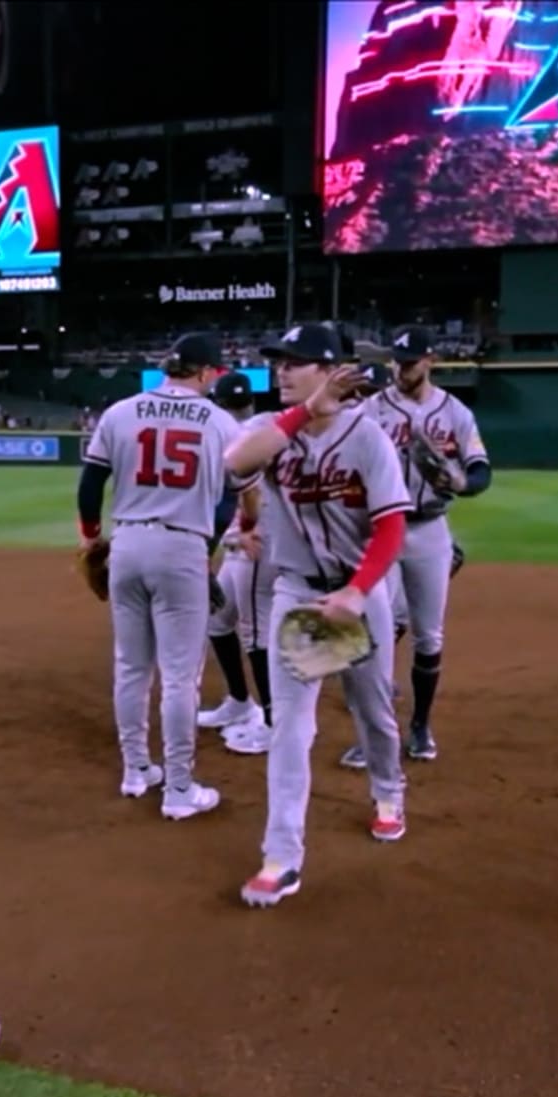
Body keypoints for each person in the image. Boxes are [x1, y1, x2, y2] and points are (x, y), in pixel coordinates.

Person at [223, 324, 412, 908]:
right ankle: (281, 858)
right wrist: (306, 410)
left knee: (372, 710)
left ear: (331, 370)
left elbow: (391, 526)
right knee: (291, 728)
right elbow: (235, 464)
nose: (282, 370)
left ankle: (388, 791)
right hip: (300, 594)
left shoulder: (368, 437)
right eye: (279, 361)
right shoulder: (271, 428)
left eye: (296, 361)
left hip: (359, 593)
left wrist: (357, 591)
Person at [77, 334, 253, 818]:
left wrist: (91, 537)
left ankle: (136, 770)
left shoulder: (120, 411)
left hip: (127, 544)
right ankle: (178, 789)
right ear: (205, 372)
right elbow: (244, 489)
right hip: (181, 547)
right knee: (179, 676)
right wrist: (247, 527)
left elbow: (90, 483)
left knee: (131, 667)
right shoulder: (220, 421)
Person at [339, 325, 491, 767]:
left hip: (429, 530)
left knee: (428, 634)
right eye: (397, 362)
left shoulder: (456, 412)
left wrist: (462, 483)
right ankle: (373, 734)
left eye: (409, 363)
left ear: (430, 362)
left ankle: (421, 726)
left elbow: (481, 471)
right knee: (377, 634)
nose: (400, 370)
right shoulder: (370, 410)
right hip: (381, 529)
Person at [197, 370, 274, 751]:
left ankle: (275, 725)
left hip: (256, 542)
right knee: (217, 619)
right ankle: (240, 703)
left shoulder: (228, 436)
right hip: (241, 542)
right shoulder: (263, 427)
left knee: (255, 632)